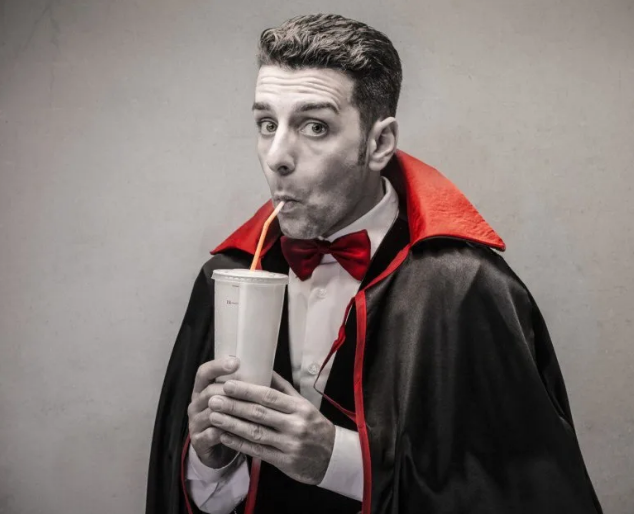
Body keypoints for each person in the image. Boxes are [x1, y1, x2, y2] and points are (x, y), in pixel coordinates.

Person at [146, 13, 604, 514]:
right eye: (267, 124)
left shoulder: (466, 287)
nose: (277, 157)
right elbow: (184, 494)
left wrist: (338, 460)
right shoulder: (226, 276)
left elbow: (523, 493)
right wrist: (210, 463)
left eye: (315, 126)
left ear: (379, 143)